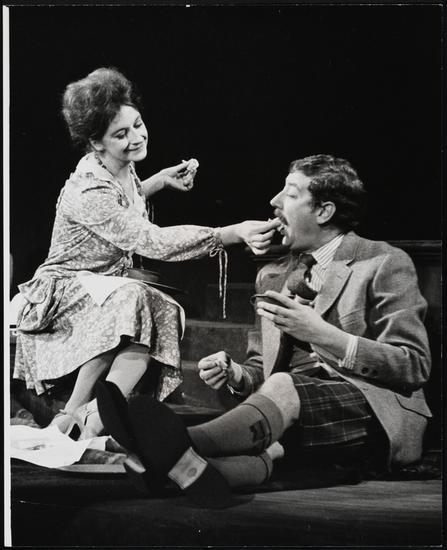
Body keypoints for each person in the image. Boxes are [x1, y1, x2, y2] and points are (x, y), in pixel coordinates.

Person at [95, 154, 432, 504]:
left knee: (283, 393)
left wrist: (321, 334)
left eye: (291, 193)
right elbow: (262, 370)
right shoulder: (273, 276)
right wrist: (237, 374)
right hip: (298, 423)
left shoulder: (382, 262)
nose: (274, 201)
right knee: (269, 450)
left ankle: (175, 442)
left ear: (324, 211)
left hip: (372, 414)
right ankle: (176, 471)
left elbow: (413, 364)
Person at [12, 67, 279, 440]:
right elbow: (152, 240)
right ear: (96, 143)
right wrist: (228, 234)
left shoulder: (120, 167)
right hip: (63, 288)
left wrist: (158, 181)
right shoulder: (88, 189)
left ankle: (98, 418)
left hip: (103, 283)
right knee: (135, 297)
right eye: (121, 134)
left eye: (137, 125)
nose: (136, 137)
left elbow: (125, 199)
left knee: (163, 308)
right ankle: (73, 412)